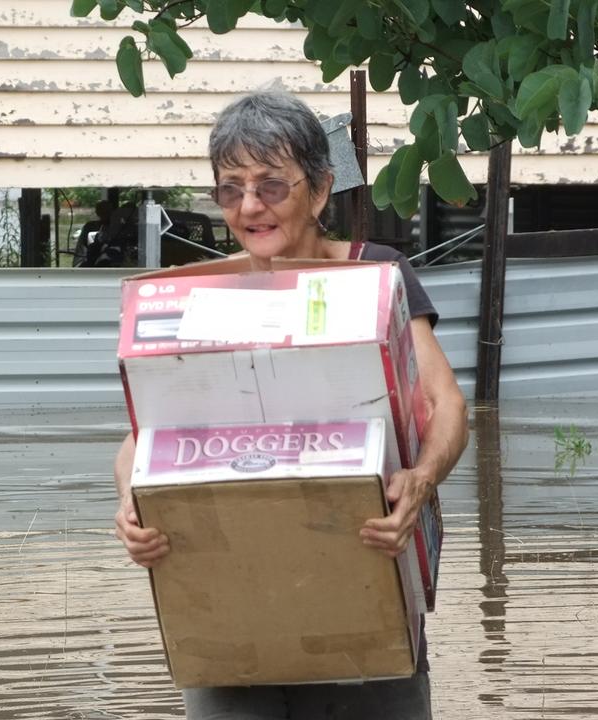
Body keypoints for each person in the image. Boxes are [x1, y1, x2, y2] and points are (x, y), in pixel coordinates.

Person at [112, 91, 469, 719]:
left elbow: (446, 406)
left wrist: (420, 480)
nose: (251, 206)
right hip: (228, 612)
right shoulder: (200, 294)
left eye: (272, 185)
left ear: (321, 189)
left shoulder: (376, 275)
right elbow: (145, 434)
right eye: (231, 189)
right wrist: (132, 504)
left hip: (363, 587)